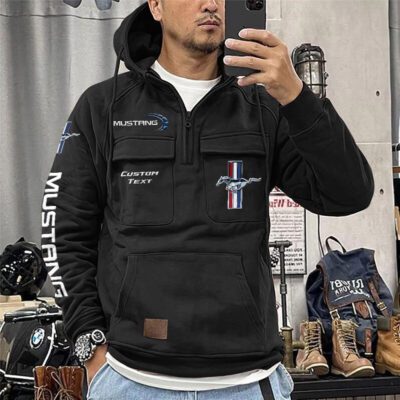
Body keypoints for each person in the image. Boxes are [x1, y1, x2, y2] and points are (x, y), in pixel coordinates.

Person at [40, 0, 375, 399]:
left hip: (247, 381)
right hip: (130, 380)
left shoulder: (264, 107)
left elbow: (349, 194)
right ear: (157, 6)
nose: (212, 4)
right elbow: (63, 232)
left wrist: (298, 98)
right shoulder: (103, 107)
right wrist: (90, 344)